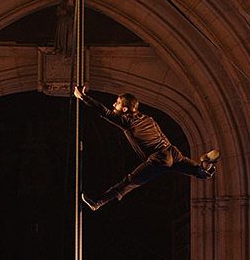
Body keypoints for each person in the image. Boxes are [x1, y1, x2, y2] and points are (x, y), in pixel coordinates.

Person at [73, 85, 219, 211]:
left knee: (129, 182)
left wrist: (82, 97)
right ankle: (206, 169)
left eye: (116, 103)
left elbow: (104, 112)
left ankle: (97, 203)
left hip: (160, 157)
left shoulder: (127, 121)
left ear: (124, 109)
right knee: (195, 170)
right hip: (172, 152)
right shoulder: (148, 118)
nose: (113, 105)